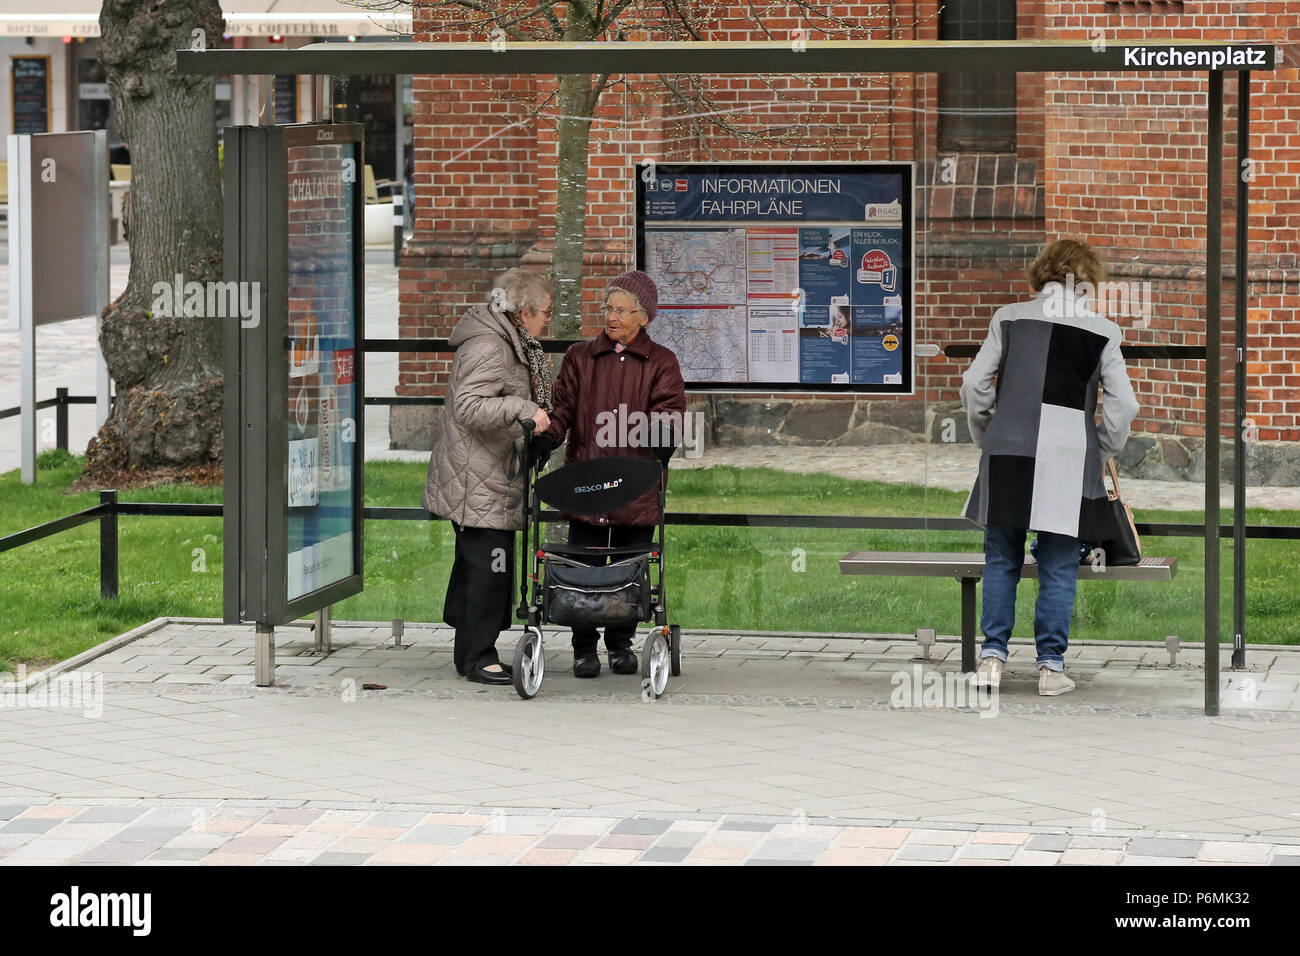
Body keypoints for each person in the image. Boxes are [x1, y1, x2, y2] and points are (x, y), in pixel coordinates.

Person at [961, 239, 1138, 697]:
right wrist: (1099, 448)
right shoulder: (1103, 330)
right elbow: (1123, 407)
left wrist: (987, 436)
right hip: (1067, 455)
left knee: (1001, 558)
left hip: (1007, 451)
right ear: (1088, 279)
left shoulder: (1008, 318)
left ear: (1041, 275)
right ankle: (1050, 669)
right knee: (1059, 563)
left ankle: (991, 661)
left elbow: (974, 384)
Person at [537, 270, 687, 678]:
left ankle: (621, 645)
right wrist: (545, 435)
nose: (612, 316)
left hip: (635, 486)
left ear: (645, 316)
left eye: (623, 310)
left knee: (628, 569)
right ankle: (583, 649)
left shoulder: (662, 363)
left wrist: (662, 430)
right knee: (585, 568)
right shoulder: (580, 357)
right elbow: (562, 410)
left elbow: (670, 413)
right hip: (586, 483)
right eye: (608, 308)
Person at [422, 269, 553, 685]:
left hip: (482, 474)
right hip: (478, 479)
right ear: (525, 312)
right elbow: (469, 407)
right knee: (491, 570)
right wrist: (522, 409)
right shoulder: (490, 347)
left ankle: (469, 655)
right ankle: (481, 657)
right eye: (545, 313)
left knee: (476, 567)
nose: (548, 320)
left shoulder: (503, 339)